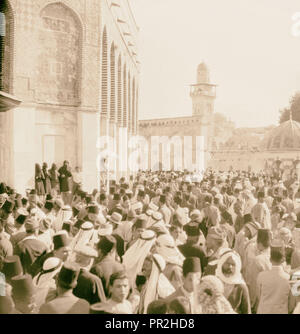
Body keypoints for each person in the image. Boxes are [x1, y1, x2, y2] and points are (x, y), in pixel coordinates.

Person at [256, 243, 293, 314]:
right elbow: (291, 304)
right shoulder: (288, 278)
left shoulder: (261, 276)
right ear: (283, 259)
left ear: (270, 259)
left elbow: (259, 297)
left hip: (264, 311)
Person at [215, 249, 251, 314]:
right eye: (227, 263)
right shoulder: (213, 282)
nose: (230, 267)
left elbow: (247, 312)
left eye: (233, 264)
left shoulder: (241, 287)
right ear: (221, 263)